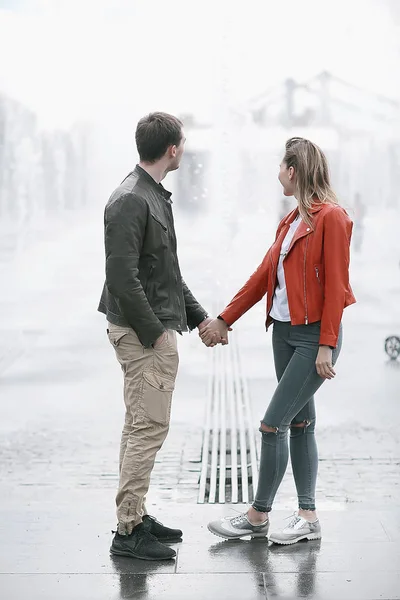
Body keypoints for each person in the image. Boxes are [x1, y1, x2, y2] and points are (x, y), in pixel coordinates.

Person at [201, 137, 356, 545]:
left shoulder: (333, 218)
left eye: (281, 168)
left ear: (293, 170)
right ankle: (307, 516)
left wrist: (327, 343)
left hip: (313, 338)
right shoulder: (290, 222)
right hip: (285, 335)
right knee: (302, 423)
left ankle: (257, 515)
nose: (276, 175)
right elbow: (261, 277)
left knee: (273, 425)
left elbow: (338, 286)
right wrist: (224, 318)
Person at [98, 112, 211, 561]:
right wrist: (155, 337)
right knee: (148, 428)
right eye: (183, 142)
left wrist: (199, 317)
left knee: (139, 425)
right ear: (172, 149)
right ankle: (128, 533)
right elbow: (122, 277)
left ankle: (135, 514)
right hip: (144, 335)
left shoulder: (150, 196)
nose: (184, 148)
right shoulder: (131, 199)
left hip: (154, 328)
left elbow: (167, 273)